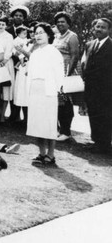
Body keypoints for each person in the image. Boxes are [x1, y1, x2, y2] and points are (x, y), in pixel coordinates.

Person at [27, 23, 64, 166]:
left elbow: (59, 74)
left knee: (49, 123)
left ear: (48, 35)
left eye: (41, 32)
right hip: (35, 90)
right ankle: (41, 153)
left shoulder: (53, 52)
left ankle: (51, 154)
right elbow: (30, 74)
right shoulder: (35, 53)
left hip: (48, 91)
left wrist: (57, 90)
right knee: (37, 123)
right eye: (36, 33)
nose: (38, 35)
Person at [82, 18, 112, 154]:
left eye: (103, 27)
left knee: (105, 116)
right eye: (97, 27)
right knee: (93, 114)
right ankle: (96, 141)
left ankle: (104, 145)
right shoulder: (89, 44)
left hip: (106, 89)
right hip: (91, 88)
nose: (99, 29)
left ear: (109, 30)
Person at [53, 12, 80, 141]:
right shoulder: (57, 36)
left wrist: (67, 75)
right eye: (58, 22)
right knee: (57, 102)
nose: (60, 24)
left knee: (66, 103)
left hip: (66, 72)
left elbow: (75, 55)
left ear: (68, 23)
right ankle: (60, 129)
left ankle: (66, 131)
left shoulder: (72, 36)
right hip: (56, 72)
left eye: (62, 21)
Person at [0, 17, 15, 122]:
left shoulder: (9, 36)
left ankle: (2, 116)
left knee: (5, 90)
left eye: (3, 24)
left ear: (6, 26)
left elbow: (9, 50)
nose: (1, 26)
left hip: (6, 64)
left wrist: (4, 61)